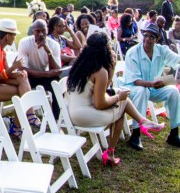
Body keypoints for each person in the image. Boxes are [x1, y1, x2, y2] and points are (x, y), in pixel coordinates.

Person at [66, 33, 164, 165]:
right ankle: (111, 152)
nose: (111, 49)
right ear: (104, 50)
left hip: (73, 112)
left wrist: (112, 72)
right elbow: (99, 104)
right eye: (110, 47)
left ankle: (143, 122)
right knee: (122, 103)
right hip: (85, 116)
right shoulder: (100, 71)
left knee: (119, 95)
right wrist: (118, 97)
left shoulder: (81, 64)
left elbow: (101, 92)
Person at [123, 24, 180, 151]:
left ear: (157, 39)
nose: (147, 39)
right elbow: (135, 81)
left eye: (151, 37)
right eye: (145, 35)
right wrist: (152, 84)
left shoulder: (161, 50)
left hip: (152, 86)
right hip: (134, 87)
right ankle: (135, 134)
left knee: (173, 91)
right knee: (142, 91)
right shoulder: (133, 52)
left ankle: (174, 134)